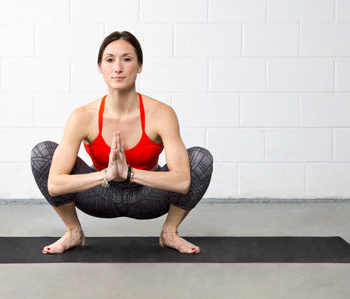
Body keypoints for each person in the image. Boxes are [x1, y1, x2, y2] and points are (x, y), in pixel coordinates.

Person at [31, 31, 213, 255]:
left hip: (149, 197)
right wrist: (106, 175)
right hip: (100, 194)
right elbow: (55, 184)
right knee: (42, 153)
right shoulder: (82, 116)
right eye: (110, 60)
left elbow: (183, 181)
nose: (117, 68)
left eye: (127, 59)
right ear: (100, 67)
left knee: (200, 158)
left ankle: (169, 233)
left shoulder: (162, 114)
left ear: (139, 66)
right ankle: (73, 232)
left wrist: (129, 174)